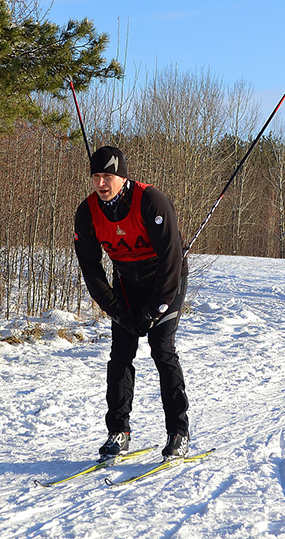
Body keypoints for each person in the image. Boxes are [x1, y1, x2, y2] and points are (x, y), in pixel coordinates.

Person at [74, 145, 190, 460]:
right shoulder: (87, 213)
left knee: (162, 348)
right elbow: (92, 271)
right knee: (120, 355)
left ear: (122, 177)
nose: (101, 183)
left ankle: (178, 432)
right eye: (96, 176)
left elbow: (171, 261)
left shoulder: (151, 201)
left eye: (107, 176)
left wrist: (156, 309)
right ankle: (118, 432)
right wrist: (118, 312)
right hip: (126, 285)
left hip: (165, 282)